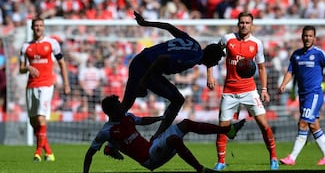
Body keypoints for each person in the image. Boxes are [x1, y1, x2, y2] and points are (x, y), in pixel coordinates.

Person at [121, 11, 225, 140]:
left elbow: (169, 27)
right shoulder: (193, 58)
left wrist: (145, 23)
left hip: (139, 59)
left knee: (125, 105)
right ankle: (158, 136)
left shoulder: (194, 44)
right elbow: (161, 58)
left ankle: (112, 140)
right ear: (211, 59)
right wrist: (144, 80)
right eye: (216, 61)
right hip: (147, 67)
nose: (215, 64)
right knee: (178, 100)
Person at [83, 95, 245, 173]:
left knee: (186, 124)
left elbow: (142, 120)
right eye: (118, 105)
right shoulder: (106, 131)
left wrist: (160, 117)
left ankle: (228, 130)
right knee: (174, 140)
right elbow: (89, 154)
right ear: (111, 111)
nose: (121, 106)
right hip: (149, 159)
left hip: (152, 147)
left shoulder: (128, 118)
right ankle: (201, 170)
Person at [206, 11, 279, 171]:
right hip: (229, 91)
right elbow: (212, 55)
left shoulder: (257, 43)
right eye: (241, 22)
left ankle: (273, 158)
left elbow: (261, 68)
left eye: (247, 22)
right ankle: (221, 161)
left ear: (251, 25)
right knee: (222, 128)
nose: (244, 25)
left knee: (264, 125)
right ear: (238, 24)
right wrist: (210, 75)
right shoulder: (227, 39)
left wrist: (264, 89)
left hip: (250, 91)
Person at [278, 25, 325, 166]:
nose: (307, 38)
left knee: (303, 123)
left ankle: (292, 158)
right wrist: (284, 84)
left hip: (314, 95)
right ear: (302, 37)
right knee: (313, 125)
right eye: (305, 35)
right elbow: (290, 71)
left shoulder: (319, 54)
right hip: (303, 95)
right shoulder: (296, 54)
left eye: (310, 36)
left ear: (314, 37)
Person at [19, 17, 71, 162]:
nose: (38, 28)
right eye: (36, 26)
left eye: (41, 25)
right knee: (33, 121)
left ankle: (37, 153)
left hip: (47, 84)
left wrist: (66, 84)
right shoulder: (25, 47)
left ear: (44, 27)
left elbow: (62, 63)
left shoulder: (52, 43)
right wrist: (28, 67)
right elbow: (21, 68)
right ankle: (48, 152)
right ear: (32, 28)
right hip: (31, 85)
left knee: (41, 118)